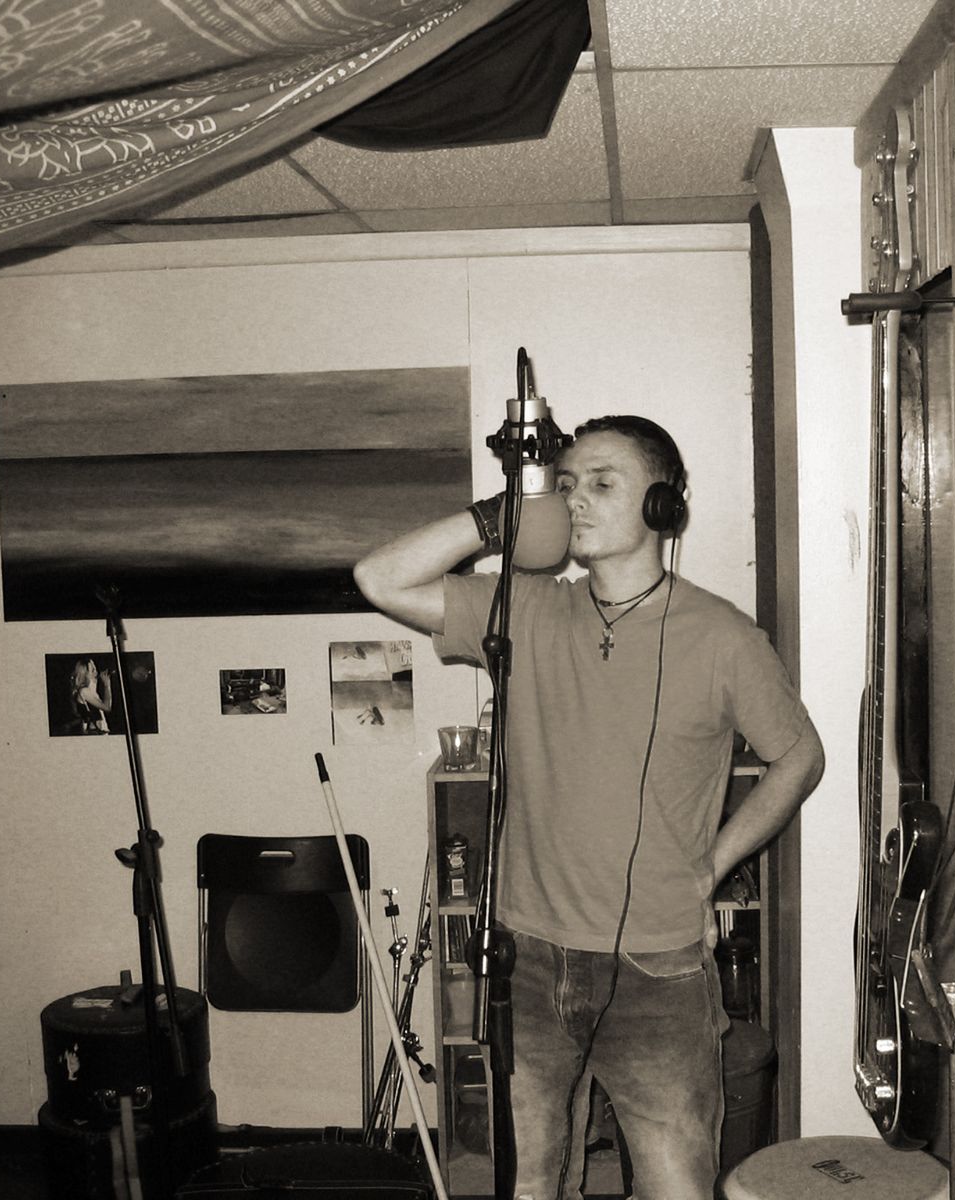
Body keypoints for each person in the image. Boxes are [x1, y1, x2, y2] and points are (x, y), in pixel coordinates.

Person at [354, 415, 824, 1200]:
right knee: (532, 1185)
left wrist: (712, 866)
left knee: (676, 1189)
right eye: (567, 484)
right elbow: (380, 578)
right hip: (529, 955)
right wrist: (499, 518)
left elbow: (798, 756)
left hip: (658, 967)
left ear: (665, 505)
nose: (575, 500)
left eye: (603, 483)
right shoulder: (527, 610)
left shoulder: (724, 637)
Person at [72, 657, 113, 733]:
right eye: (93, 670)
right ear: (85, 674)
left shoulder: (91, 691)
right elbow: (107, 707)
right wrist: (107, 685)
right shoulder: (84, 691)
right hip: (94, 733)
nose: (96, 673)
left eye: (96, 669)